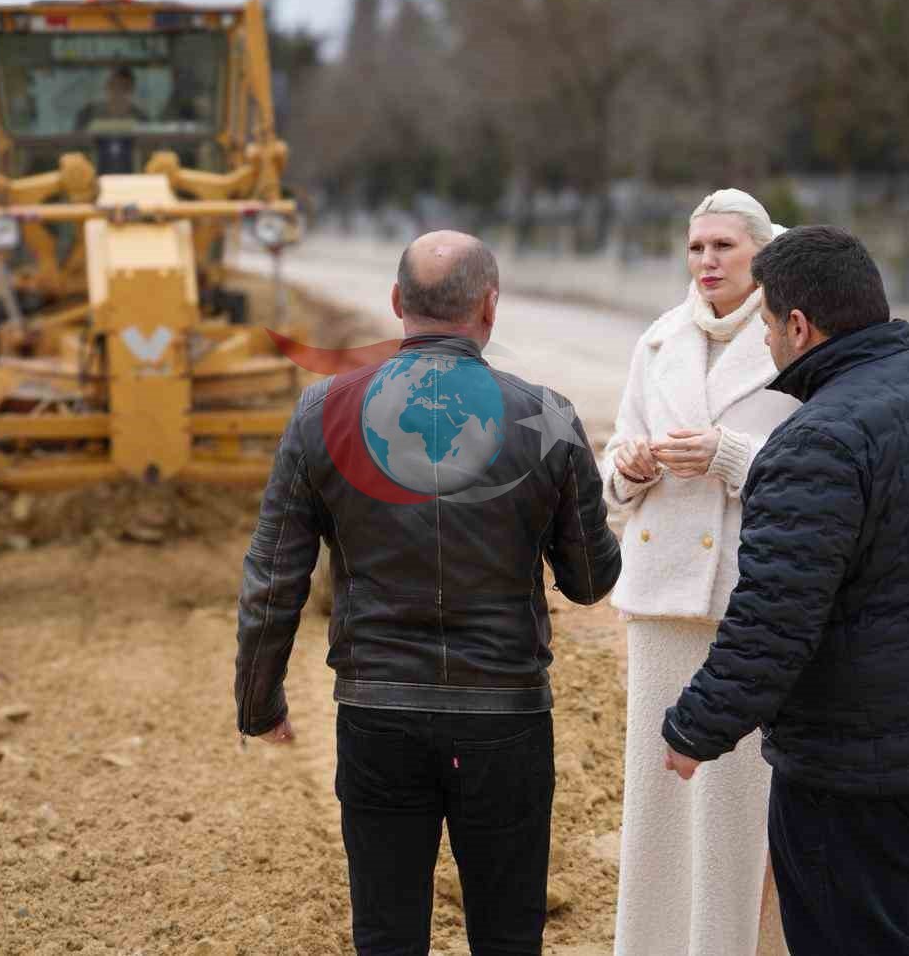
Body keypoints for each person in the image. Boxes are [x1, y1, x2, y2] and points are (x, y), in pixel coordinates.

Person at [234, 230, 622, 956]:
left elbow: (273, 577)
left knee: (387, 933)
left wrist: (260, 702)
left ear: (396, 302)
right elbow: (591, 582)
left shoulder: (322, 411)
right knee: (509, 935)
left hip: (377, 715)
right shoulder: (548, 416)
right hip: (505, 718)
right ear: (490, 306)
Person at [661, 225, 909, 955]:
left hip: (863, 778)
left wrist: (696, 728)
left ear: (799, 326)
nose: (768, 342)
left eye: (768, 326)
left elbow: (773, 619)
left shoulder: (816, 441)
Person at [603, 188, 797, 956]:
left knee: (736, 808)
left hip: (749, 602)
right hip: (660, 600)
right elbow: (613, 474)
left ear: (761, 252)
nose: (707, 261)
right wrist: (628, 468)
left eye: (724, 246)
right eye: (696, 247)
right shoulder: (658, 340)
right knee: (656, 800)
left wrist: (730, 456)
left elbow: (824, 465)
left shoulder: (794, 336)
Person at [73, 65, 144, 130]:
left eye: (124, 87)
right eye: (113, 85)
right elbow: (76, 137)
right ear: (106, 87)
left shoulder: (140, 117)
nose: (118, 91)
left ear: (131, 90)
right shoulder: (88, 113)